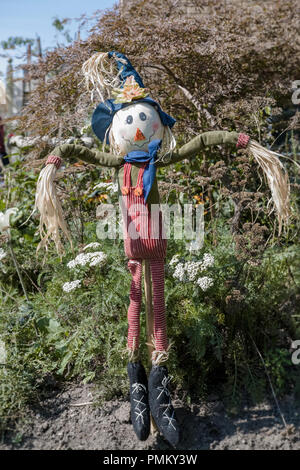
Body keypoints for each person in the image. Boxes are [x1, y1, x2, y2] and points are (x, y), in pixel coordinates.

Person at [34, 51, 291, 448]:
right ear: (116, 128)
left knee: (161, 304)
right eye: (129, 121)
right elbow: (79, 151)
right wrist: (55, 158)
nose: (137, 129)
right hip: (134, 245)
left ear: (155, 124)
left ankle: (160, 383)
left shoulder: (160, 157)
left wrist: (243, 141)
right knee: (135, 302)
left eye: (143, 120)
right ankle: (136, 379)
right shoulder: (119, 161)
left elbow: (202, 142)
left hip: (156, 242)